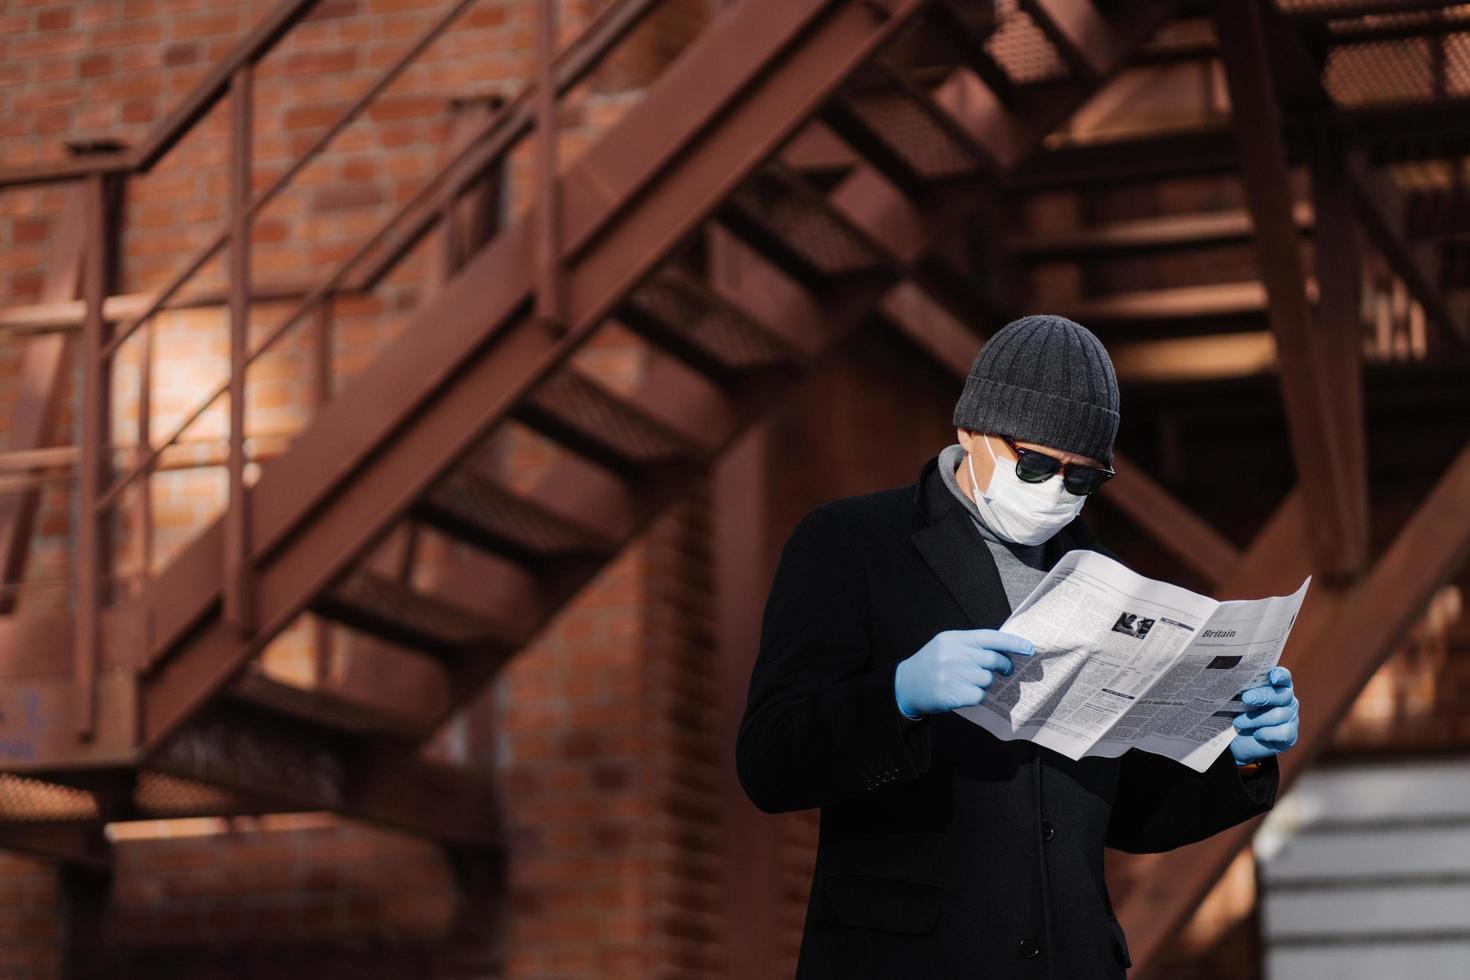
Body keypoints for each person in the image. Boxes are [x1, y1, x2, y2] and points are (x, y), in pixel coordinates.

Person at [735, 314, 1300, 979]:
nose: (1055, 490)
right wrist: (897, 697)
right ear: (970, 428)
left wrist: (1239, 758)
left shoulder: (1104, 577)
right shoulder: (852, 544)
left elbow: (1127, 816)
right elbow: (771, 761)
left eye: (1081, 479)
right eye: (1034, 463)